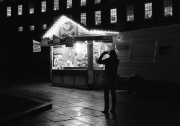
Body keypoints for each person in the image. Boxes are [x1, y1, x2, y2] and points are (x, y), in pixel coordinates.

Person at [97, 50, 119, 114]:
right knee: (113, 94)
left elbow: (99, 61)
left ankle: (106, 110)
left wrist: (103, 54)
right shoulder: (117, 60)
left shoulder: (108, 60)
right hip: (113, 79)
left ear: (110, 54)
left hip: (107, 79)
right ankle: (113, 109)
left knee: (106, 95)